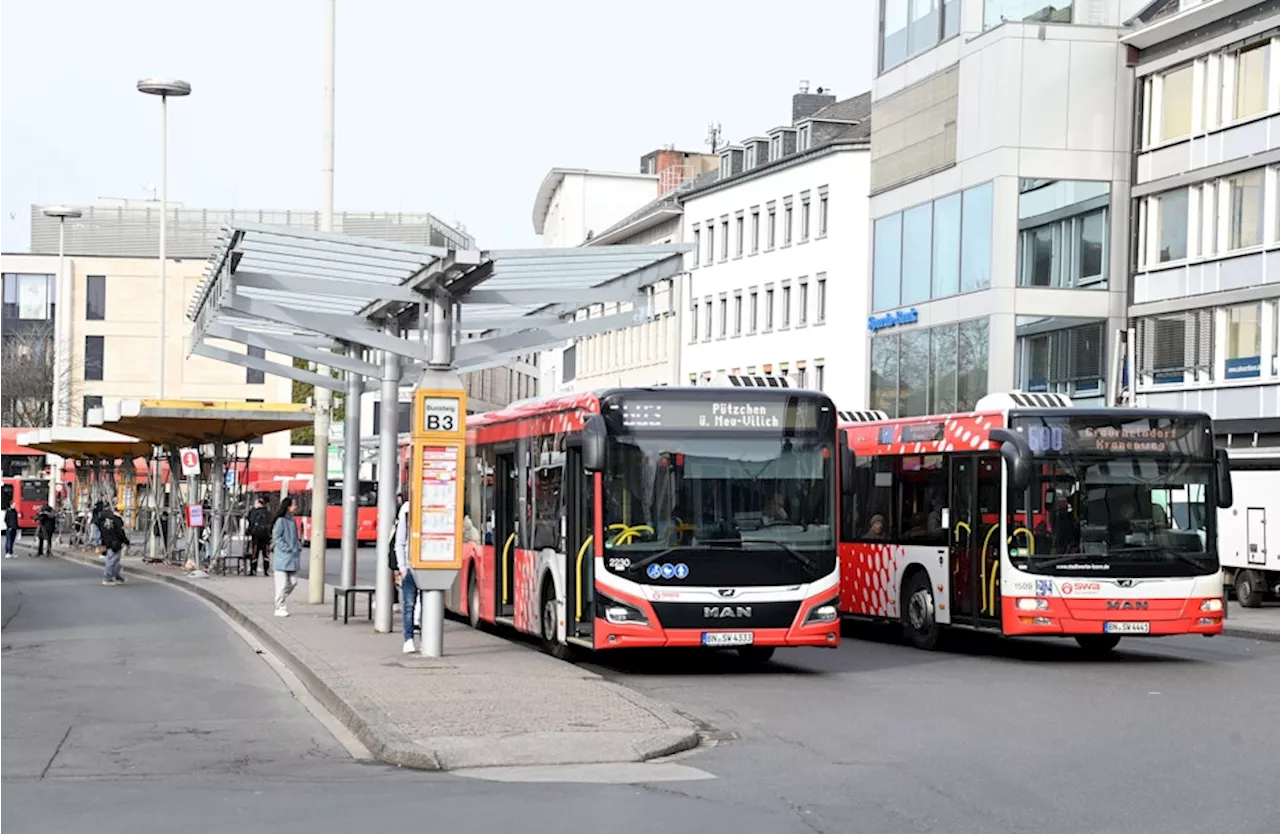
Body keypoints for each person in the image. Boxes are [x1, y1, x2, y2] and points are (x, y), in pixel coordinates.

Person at [392, 492, 417, 654]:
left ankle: (423, 636)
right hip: (411, 567)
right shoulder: (407, 510)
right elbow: (399, 542)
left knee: (424, 605)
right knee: (409, 605)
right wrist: (402, 567)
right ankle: (408, 638)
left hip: (429, 566)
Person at [270, 497, 302, 617]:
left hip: (292, 557)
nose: (296, 506)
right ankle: (280, 606)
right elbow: (277, 537)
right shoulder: (281, 521)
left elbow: (295, 537)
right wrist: (286, 548)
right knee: (282, 584)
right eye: (294, 505)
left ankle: (280, 598)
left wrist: (298, 546)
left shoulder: (292, 520)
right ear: (288, 507)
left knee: (293, 582)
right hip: (282, 558)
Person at [100, 503, 130, 586]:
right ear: (121, 511)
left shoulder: (109, 519)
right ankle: (107, 578)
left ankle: (116, 577)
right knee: (112, 561)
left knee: (114, 561)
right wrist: (126, 541)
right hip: (115, 543)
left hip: (109, 542)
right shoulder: (117, 520)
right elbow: (120, 533)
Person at [245, 496, 272, 576]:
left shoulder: (254, 512)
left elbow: (250, 521)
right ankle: (266, 571)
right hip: (266, 537)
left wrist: (248, 531)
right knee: (266, 554)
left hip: (256, 536)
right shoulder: (268, 513)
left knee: (254, 553)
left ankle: (253, 570)